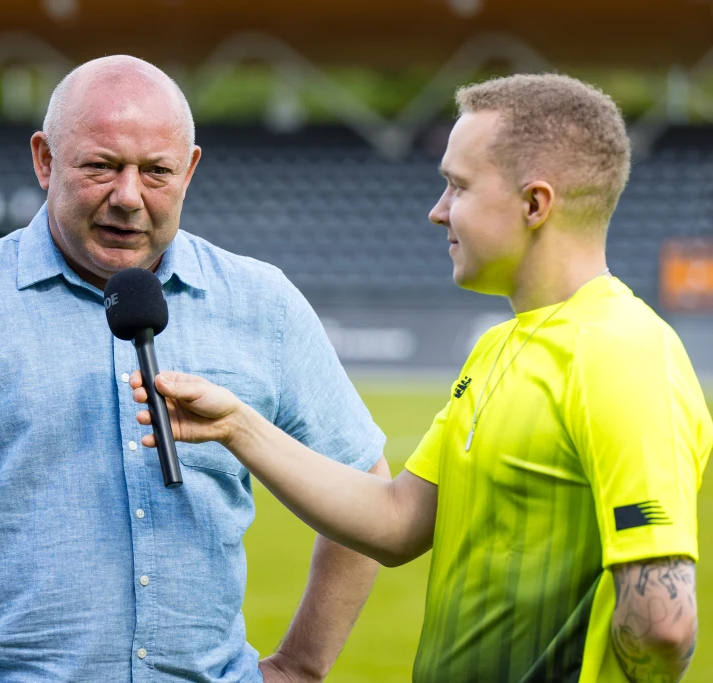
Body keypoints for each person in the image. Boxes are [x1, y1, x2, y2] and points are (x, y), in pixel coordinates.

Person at [0, 55, 389, 683]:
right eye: (101, 167)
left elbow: (363, 485)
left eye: (156, 172)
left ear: (189, 170)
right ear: (45, 160)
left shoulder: (261, 303)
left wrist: (301, 665)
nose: (129, 197)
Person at [131, 74, 711, 683]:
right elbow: (398, 521)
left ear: (535, 204)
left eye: (457, 186)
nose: (437, 212)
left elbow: (663, 623)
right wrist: (239, 427)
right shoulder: (499, 346)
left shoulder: (623, 353)